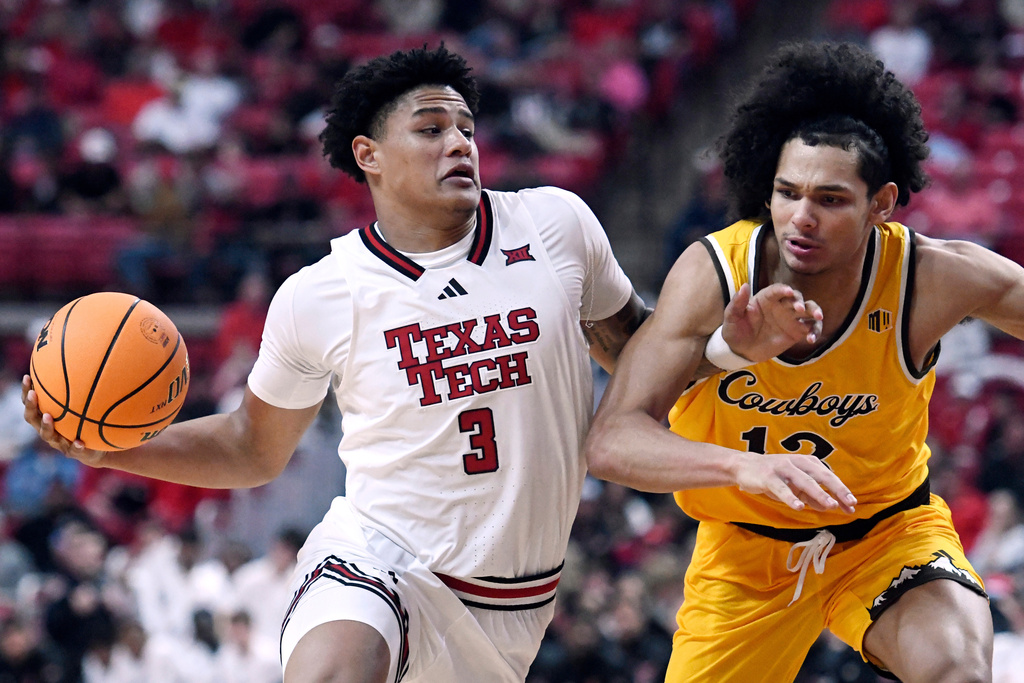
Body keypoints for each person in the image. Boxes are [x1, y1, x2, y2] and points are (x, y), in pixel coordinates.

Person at [23, 45, 824, 683]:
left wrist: (726, 350)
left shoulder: (556, 226)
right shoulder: (320, 294)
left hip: (512, 602)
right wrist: (117, 444)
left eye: (467, 128)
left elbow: (637, 362)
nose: (460, 144)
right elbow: (251, 446)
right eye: (432, 128)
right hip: (379, 559)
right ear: (369, 155)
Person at [584, 41, 1000, 683]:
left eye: (831, 199)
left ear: (881, 205)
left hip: (888, 536)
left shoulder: (934, 277)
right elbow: (612, 440)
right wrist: (744, 467)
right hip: (745, 553)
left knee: (956, 672)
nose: (801, 218)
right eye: (787, 192)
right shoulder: (715, 273)